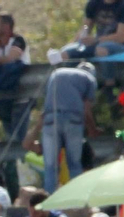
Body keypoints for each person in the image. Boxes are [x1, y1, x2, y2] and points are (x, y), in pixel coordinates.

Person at [28, 60, 98, 194]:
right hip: (73, 121)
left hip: (50, 121)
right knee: (74, 164)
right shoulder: (90, 79)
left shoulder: (57, 73)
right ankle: (76, 200)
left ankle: (49, 201)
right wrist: (92, 129)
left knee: (50, 167)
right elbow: (86, 109)